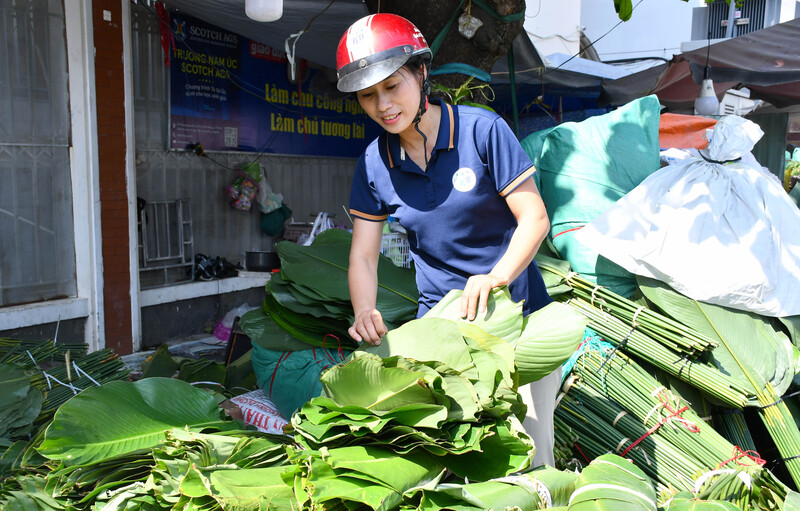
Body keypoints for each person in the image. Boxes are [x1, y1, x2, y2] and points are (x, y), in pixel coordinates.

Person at [336, 13, 559, 468]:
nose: (383, 105)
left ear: (421, 72)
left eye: (392, 86)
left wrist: (495, 278)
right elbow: (362, 255)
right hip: (442, 330)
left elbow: (535, 218)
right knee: (458, 464)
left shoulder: (482, 131)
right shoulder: (374, 163)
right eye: (367, 95)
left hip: (519, 318)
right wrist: (364, 310)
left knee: (533, 458)